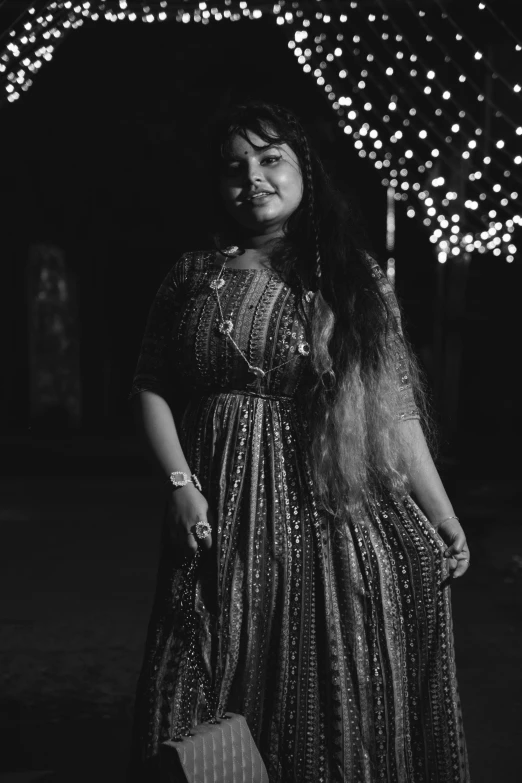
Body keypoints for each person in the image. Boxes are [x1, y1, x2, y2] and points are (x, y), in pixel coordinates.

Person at [127, 101, 471, 782]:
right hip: (218, 523)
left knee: (323, 696)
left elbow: (396, 407)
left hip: (327, 527)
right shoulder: (193, 276)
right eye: (234, 167)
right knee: (192, 692)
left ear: (303, 169)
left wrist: (442, 513)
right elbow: (151, 384)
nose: (252, 176)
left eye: (270, 158)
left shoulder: (353, 278)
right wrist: (182, 486)